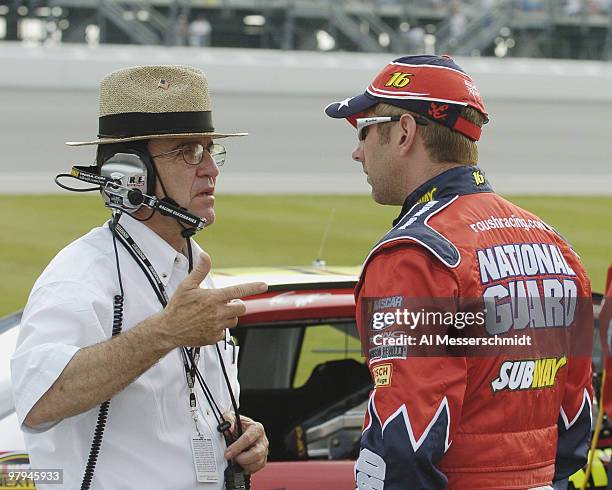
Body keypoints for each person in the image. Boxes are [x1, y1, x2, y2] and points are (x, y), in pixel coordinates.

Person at [325, 55, 593, 489]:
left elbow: (404, 444)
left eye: (365, 130)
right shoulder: (556, 247)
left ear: (404, 133)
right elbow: (575, 422)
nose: (357, 151)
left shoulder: (416, 255)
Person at [11, 65, 269, 489]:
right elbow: (39, 402)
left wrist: (236, 431)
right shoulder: (80, 276)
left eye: (210, 150)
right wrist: (165, 333)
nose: (211, 170)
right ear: (129, 174)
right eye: (188, 151)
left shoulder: (191, 268)